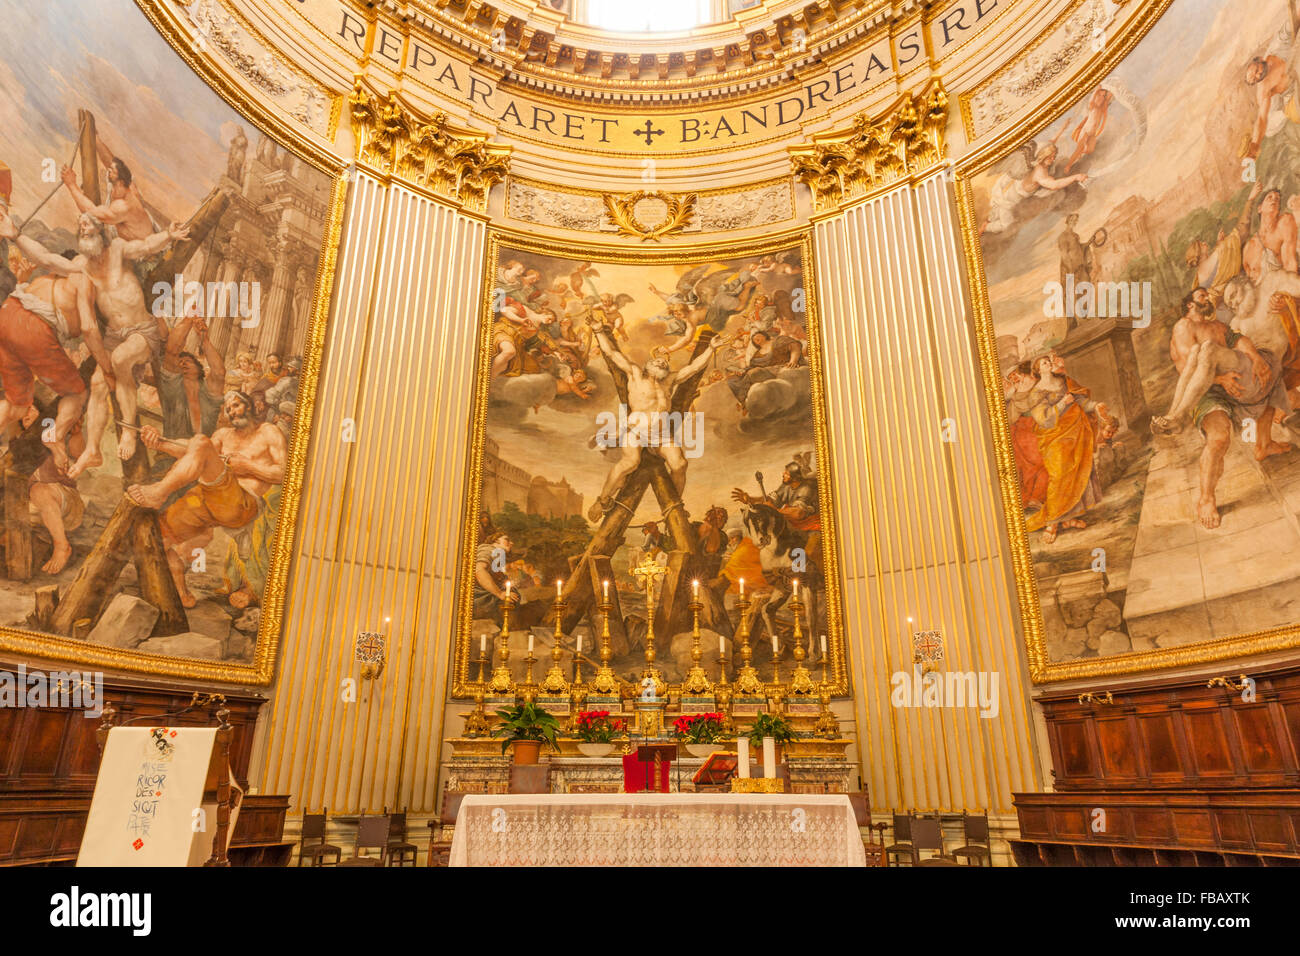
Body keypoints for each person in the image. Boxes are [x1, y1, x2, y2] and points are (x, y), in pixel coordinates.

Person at [2, 211, 187, 464]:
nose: (83, 228)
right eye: (80, 226)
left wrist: (168, 235)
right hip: (100, 334)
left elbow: (144, 246)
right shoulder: (82, 268)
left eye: (87, 224)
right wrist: (17, 235)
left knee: (119, 361)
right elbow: (46, 258)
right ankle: (75, 443)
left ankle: (127, 434)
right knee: (88, 388)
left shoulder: (118, 250)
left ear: (101, 230)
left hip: (138, 330)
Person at [125, 391, 286, 607]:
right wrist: (159, 442)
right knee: (158, 538)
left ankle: (159, 492)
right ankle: (181, 593)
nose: (232, 412)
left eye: (236, 405)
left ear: (250, 405)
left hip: (241, 503)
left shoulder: (268, 432)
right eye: (228, 409)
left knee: (201, 442)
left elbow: (284, 473)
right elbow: (192, 449)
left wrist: (248, 466)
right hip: (207, 498)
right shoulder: (223, 435)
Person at [586, 324, 727, 521]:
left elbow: (694, 368)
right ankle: (601, 500)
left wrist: (711, 349)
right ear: (649, 363)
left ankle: (674, 506)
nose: (662, 363)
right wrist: (599, 331)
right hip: (636, 431)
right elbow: (611, 353)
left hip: (660, 435)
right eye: (659, 360)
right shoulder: (634, 373)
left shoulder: (669, 380)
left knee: (680, 464)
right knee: (630, 462)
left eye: (665, 362)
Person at [1021, 354, 1117, 543]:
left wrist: (1095, 406)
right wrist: (1062, 404)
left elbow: (1080, 401)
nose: (1048, 364)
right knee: (1059, 476)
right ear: (1038, 371)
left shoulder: (1064, 381)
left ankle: (1068, 518)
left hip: (1076, 431)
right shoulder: (1036, 393)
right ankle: (1052, 522)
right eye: (1043, 363)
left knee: (1077, 472)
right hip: (1054, 437)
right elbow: (1044, 419)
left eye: (1048, 361)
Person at [60, 143, 154, 242]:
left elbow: (91, 212)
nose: (108, 170)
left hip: (144, 252)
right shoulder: (126, 185)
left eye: (111, 170)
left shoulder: (123, 206)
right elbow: (110, 161)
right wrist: (95, 138)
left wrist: (71, 184)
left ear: (120, 181)